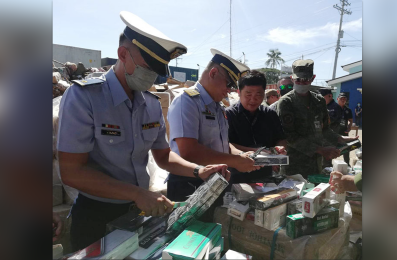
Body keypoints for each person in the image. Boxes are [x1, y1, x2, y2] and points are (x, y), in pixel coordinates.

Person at [57, 11, 229, 251]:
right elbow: (72, 172)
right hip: (95, 216)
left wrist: (198, 170)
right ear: (122, 54)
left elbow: (163, 155)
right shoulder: (84, 97)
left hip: (137, 213)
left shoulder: (150, 103)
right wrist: (138, 193)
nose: (151, 78)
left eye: (157, 72)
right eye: (148, 68)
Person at [167, 48, 261, 202]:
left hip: (216, 181)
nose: (229, 91)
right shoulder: (187, 101)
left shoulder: (217, 106)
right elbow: (189, 151)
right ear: (213, 73)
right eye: (228, 84)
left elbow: (222, 143)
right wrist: (236, 162)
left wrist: (240, 155)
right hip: (189, 183)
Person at [276, 59, 359, 179]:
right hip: (294, 165)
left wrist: (340, 138)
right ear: (292, 78)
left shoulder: (319, 101)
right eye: (298, 80)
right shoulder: (286, 102)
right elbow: (290, 137)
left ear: (313, 78)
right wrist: (320, 150)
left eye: (306, 80)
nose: (302, 83)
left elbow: (325, 129)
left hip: (316, 163)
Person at [226, 70, 287, 183]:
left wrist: (279, 149)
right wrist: (257, 152)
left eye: (258, 95)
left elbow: (281, 138)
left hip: (265, 175)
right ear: (239, 92)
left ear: (264, 93)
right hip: (236, 176)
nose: (253, 100)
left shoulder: (270, 114)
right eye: (248, 95)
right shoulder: (228, 115)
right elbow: (225, 144)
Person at [337, 92, 354, 166]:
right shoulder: (333, 108)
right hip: (334, 132)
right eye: (341, 99)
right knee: (331, 146)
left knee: (346, 148)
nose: (343, 100)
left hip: (344, 131)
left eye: (344, 99)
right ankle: (327, 165)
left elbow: (350, 120)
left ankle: (347, 163)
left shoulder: (348, 110)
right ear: (338, 99)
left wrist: (349, 127)